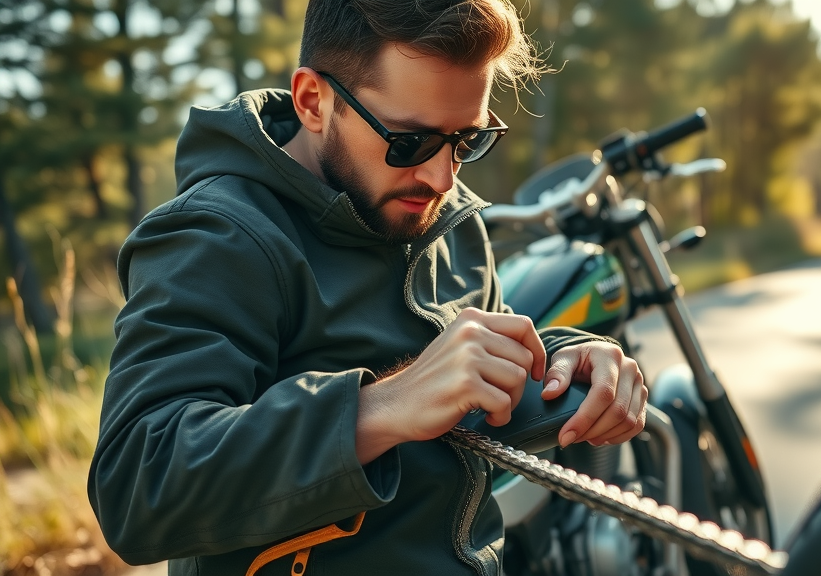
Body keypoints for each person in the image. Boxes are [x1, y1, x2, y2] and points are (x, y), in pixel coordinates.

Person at [88, 1, 647, 574]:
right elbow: (136, 486)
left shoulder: (448, 219)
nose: (441, 178)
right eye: (408, 143)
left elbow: (476, 375)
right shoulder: (217, 238)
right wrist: (380, 408)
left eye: (465, 140)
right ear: (313, 101)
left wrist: (563, 360)